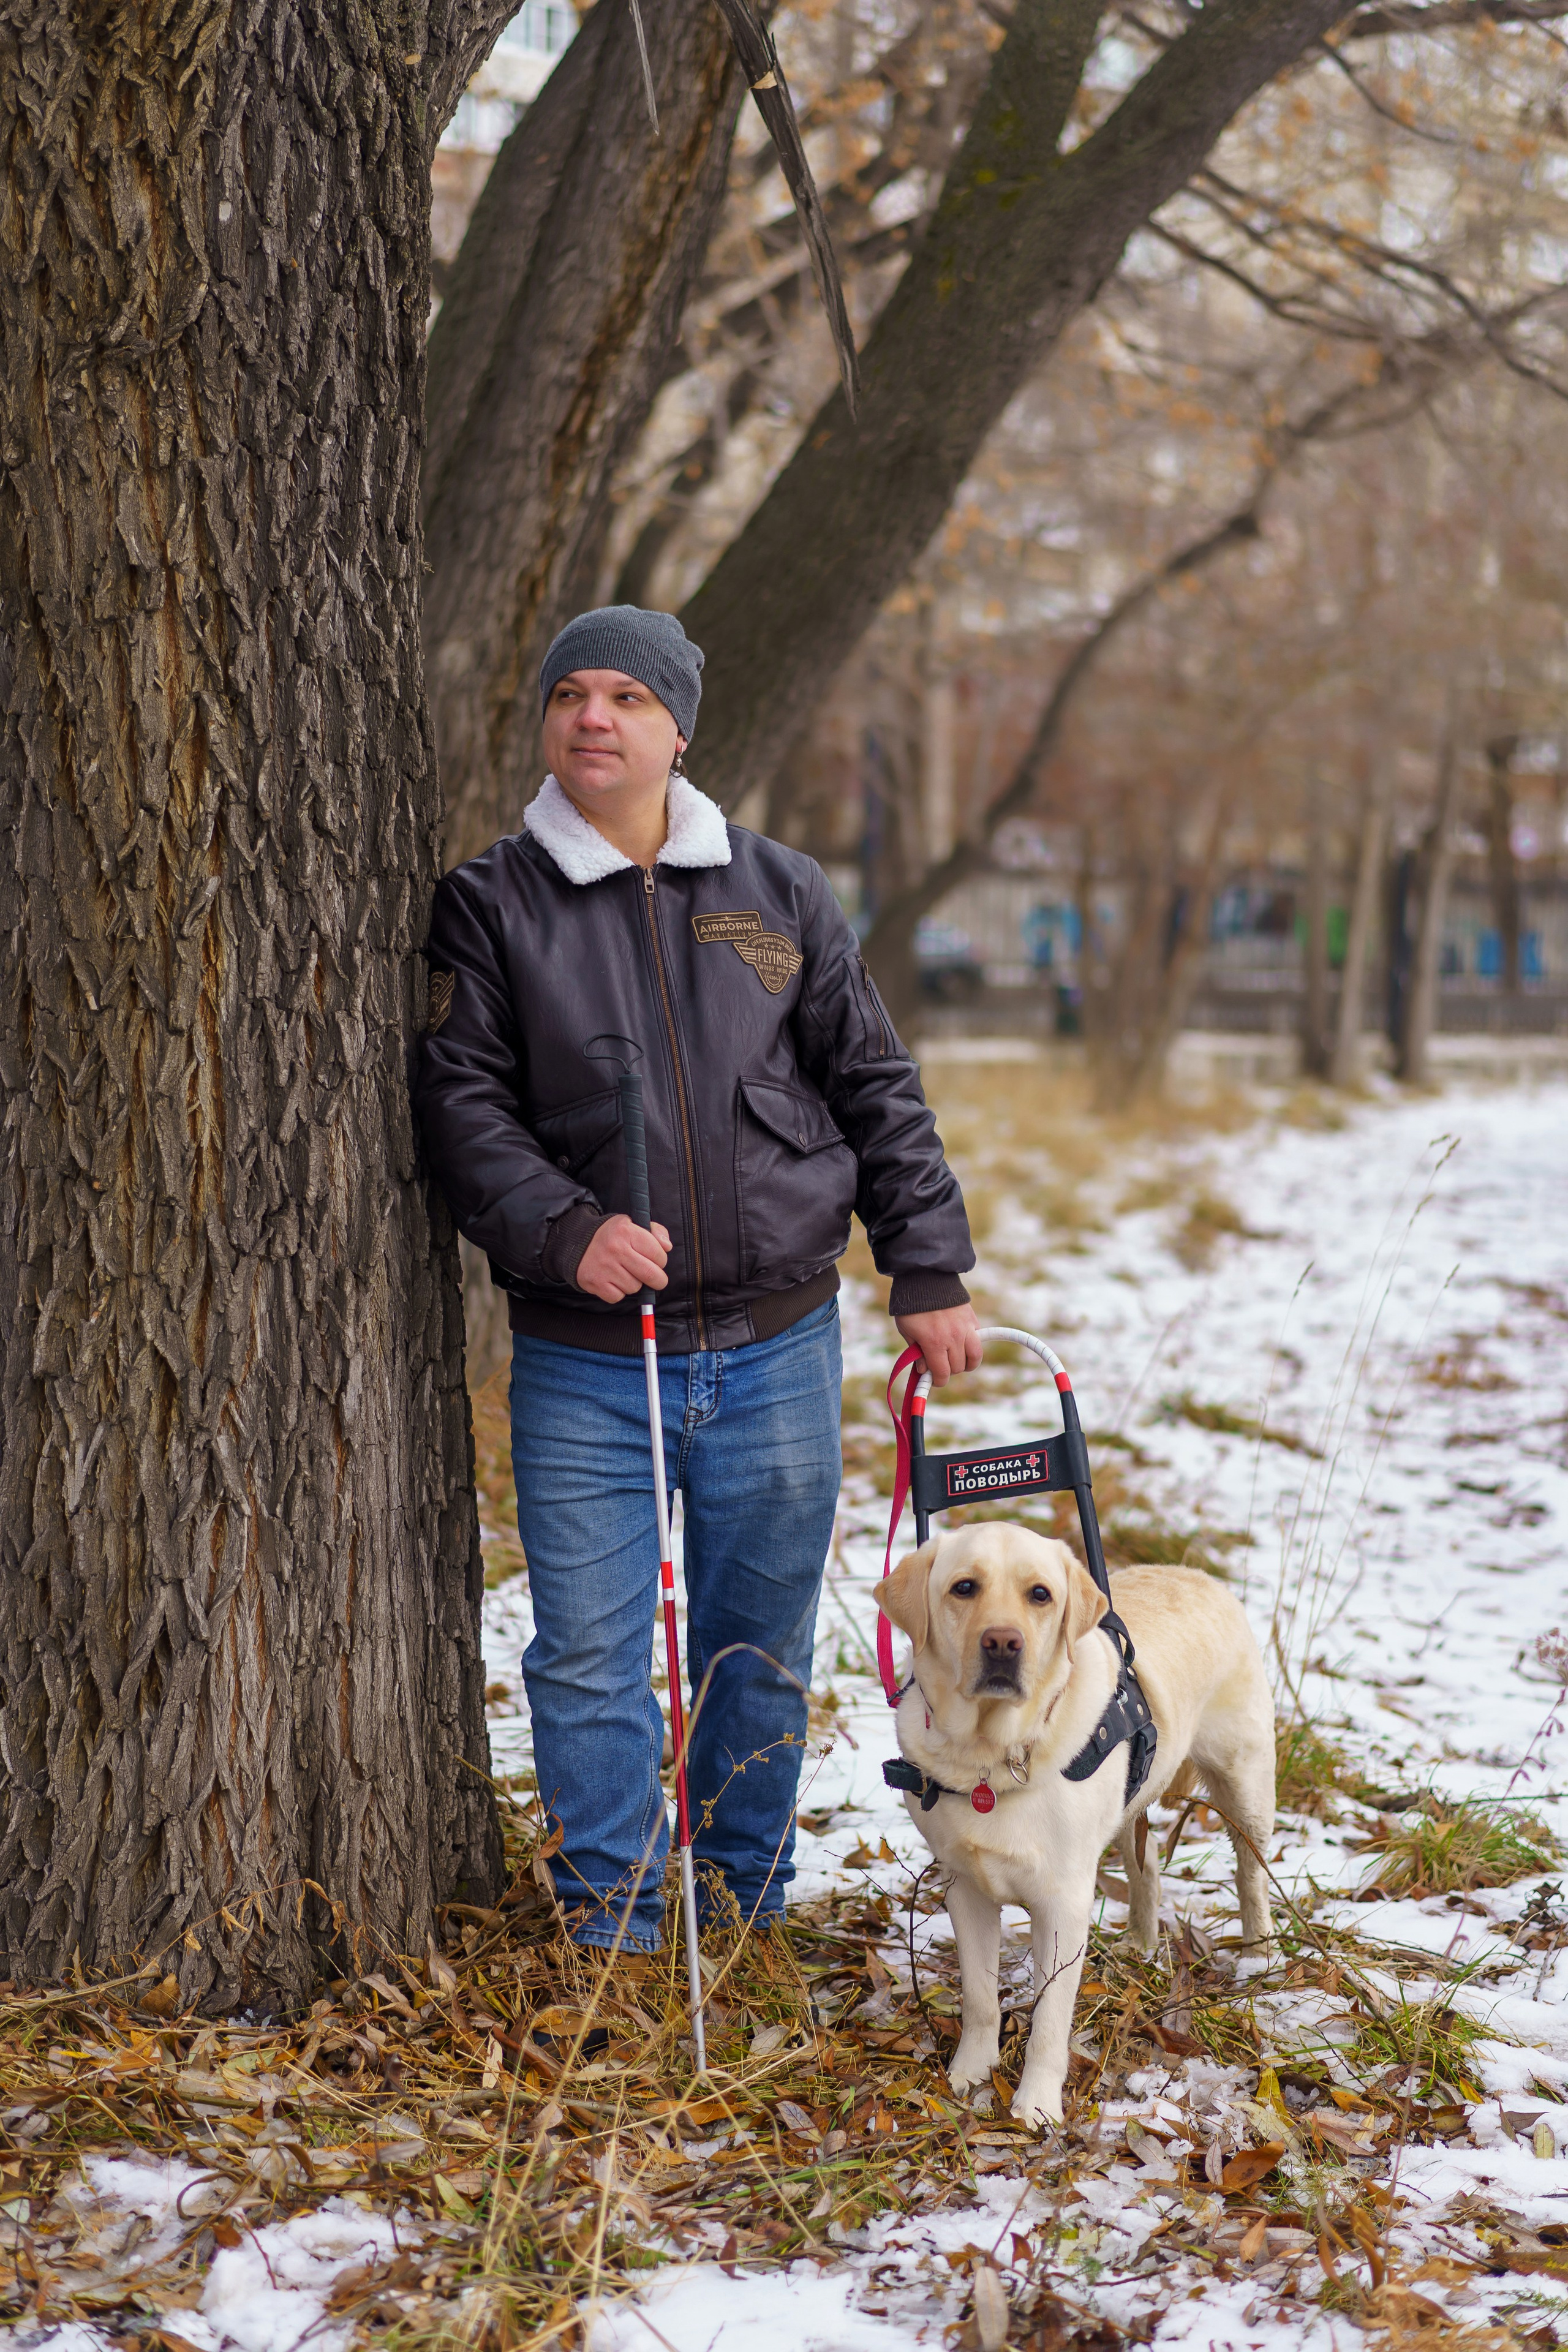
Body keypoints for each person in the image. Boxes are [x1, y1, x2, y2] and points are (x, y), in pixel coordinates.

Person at [415, 605, 981, 1951]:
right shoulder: (491, 903)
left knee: (756, 1659)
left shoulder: (777, 892)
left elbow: (872, 1085)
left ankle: (741, 1906)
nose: (593, 717)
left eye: (623, 696)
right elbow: (460, 1103)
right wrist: (564, 1231)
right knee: (591, 1659)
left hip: (779, 1341)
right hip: (588, 1358)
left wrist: (927, 1262)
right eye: (570, 694)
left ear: (679, 727)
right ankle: (610, 1922)